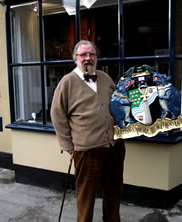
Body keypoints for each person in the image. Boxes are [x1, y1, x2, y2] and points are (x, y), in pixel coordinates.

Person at [50, 40, 125, 222]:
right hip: (87, 149)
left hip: (114, 146)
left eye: (91, 54)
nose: (88, 58)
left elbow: (119, 104)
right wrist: (68, 146)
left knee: (113, 192)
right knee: (86, 196)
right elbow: (57, 114)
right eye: (83, 55)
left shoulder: (105, 78)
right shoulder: (67, 82)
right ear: (76, 58)